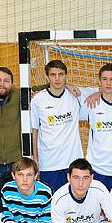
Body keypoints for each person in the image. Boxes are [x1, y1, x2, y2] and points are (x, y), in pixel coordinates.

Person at [79, 64, 112, 190]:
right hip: (97, 168)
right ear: (99, 81)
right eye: (104, 79)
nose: (108, 83)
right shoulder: (90, 104)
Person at [31, 60, 83, 191]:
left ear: (66, 76)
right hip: (48, 163)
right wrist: (35, 158)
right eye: (53, 75)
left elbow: (104, 90)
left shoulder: (75, 96)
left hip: (72, 161)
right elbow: (34, 131)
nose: (57, 79)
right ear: (47, 77)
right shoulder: (38, 99)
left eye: (61, 74)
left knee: (73, 199)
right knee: (52, 200)